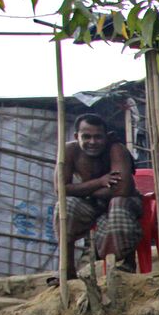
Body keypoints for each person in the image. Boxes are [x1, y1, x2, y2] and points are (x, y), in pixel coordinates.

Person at [60, 113, 143, 279]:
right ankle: (68, 270)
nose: (92, 142)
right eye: (87, 137)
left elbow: (122, 189)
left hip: (123, 202)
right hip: (92, 202)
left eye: (98, 137)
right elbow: (61, 189)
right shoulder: (69, 150)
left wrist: (81, 190)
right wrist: (99, 182)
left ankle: (127, 262)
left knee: (118, 204)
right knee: (64, 206)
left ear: (106, 137)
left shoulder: (116, 149)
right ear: (77, 136)